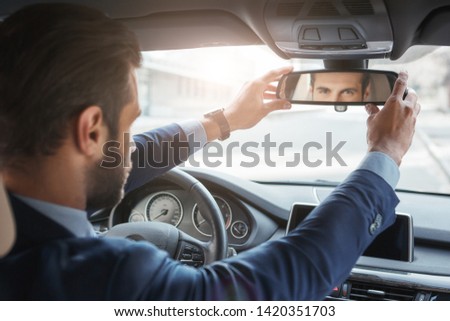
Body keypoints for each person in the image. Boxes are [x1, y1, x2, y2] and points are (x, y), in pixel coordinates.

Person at [0, 3, 420, 300]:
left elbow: (116, 158)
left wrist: (225, 121)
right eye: (128, 124)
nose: (131, 144)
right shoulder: (101, 278)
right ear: (90, 130)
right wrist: (385, 153)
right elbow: (278, 284)